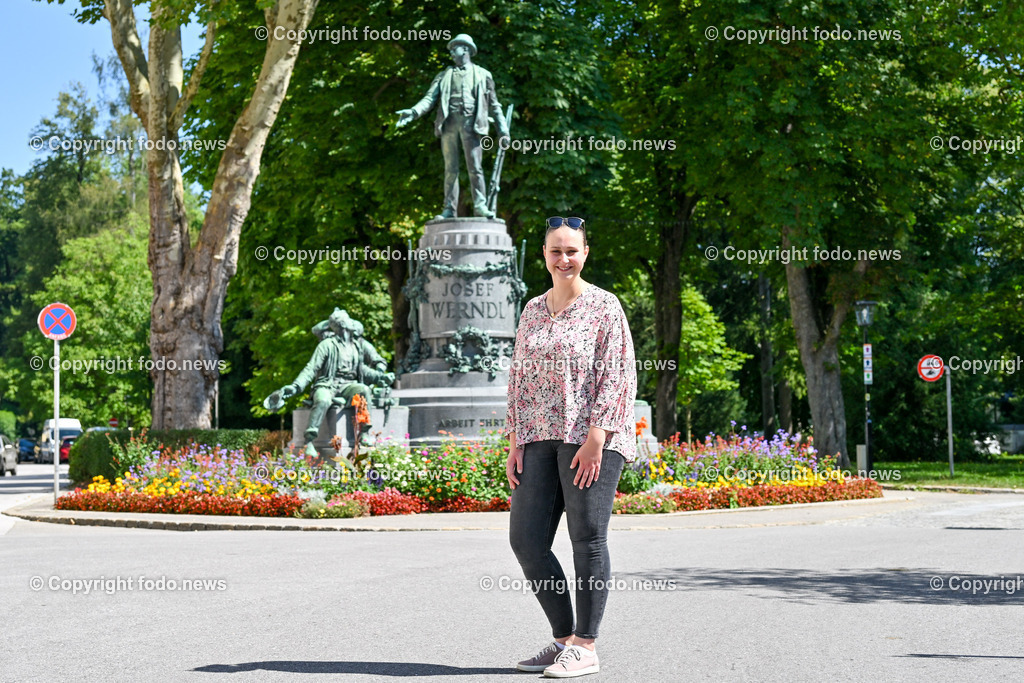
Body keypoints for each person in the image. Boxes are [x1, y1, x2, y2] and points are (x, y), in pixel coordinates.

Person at [504, 217, 637, 678]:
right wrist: (515, 439)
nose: (564, 259)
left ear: (585, 253)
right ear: (543, 254)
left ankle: (587, 645)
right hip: (538, 436)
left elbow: (619, 374)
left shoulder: (605, 306)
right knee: (526, 539)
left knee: (587, 539)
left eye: (572, 251)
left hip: (592, 438)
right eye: (556, 251)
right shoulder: (532, 310)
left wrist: (598, 436)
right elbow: (518, 378)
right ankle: (564, 639)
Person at [395, 33, 509, 219]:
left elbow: (494, 105)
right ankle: (449, 208)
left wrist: (503, 129)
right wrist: (414, 111)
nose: (451, 54)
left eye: (453, 49)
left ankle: (480, 206)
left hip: (472, 125)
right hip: (449, 124)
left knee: (475, 168)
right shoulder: (444, 75)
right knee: (450, 169)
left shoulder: (483, 75)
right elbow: (429, 99)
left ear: (465, 49)